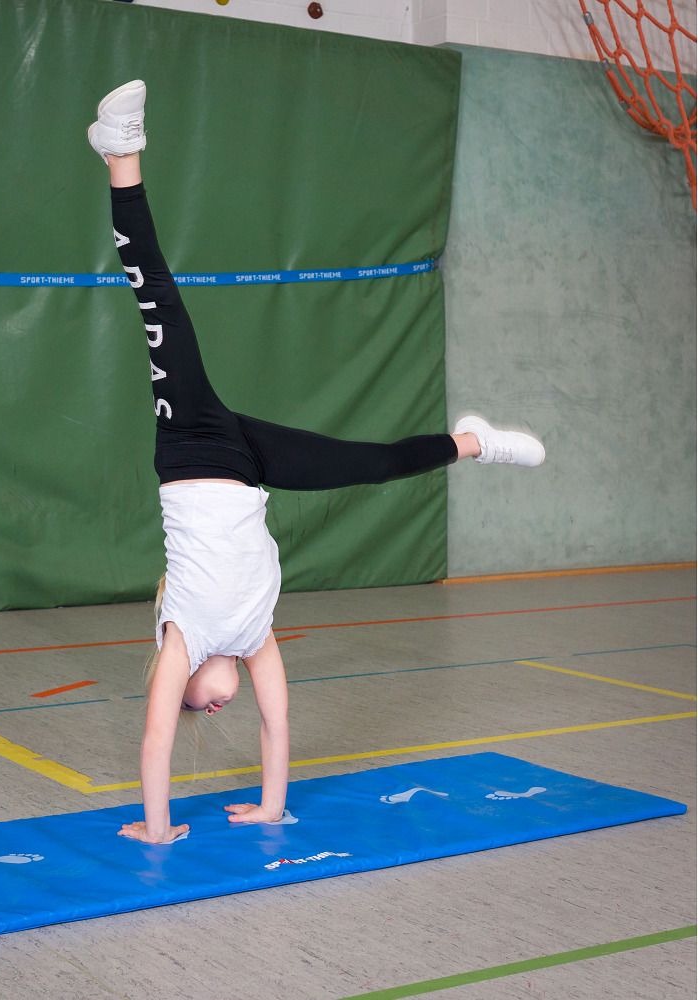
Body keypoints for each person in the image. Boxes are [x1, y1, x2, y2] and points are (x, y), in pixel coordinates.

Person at [87, 81, 545, 845]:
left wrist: (158, 828)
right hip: (249, 465)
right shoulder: (256, 633)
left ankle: (120, 155)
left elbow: (155, 741)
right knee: (369, 464)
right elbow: (278, 722)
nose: (210, 706)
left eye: (198, 702)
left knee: (159, 301)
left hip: (195, 446)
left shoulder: (184, 635)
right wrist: (270, 807)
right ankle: (472, 442)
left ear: (185, 678)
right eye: (207, 708)